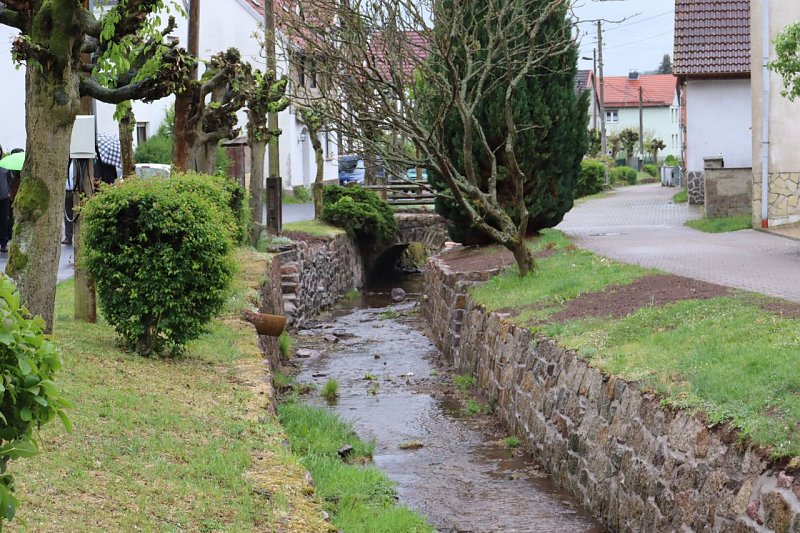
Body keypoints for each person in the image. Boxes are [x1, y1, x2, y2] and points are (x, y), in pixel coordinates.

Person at [0, 147, 11, 253]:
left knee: (4, 220)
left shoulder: (5, 166)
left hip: (3, 197)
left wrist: (8, 192)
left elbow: (10, 180)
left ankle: (4, 243)